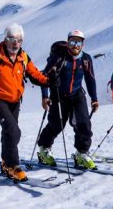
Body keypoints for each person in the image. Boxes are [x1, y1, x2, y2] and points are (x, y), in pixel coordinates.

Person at [0, 23, 48, 182]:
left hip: (15, 100)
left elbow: (34, 74)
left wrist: (48, 81)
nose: (15, 43)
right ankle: (14, 166)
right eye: (12, 39)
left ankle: (5, 163)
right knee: (13, 130)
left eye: (19, 40)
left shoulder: (24, 57)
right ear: (5, 39)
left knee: (9, 132)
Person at [37, 30, 99, 170]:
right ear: (68, 42)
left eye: (78, 42)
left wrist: (94, 99)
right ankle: (44, 149)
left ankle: (81, 153)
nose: (75, 45)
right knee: (56, 125)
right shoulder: (59, 57)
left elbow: (90, 80)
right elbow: (44, 77)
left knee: (84, 124)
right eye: (72, 42)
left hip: (77, 95)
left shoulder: (86, 59)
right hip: (58, 95)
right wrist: (45, 96)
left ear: (83, 44)